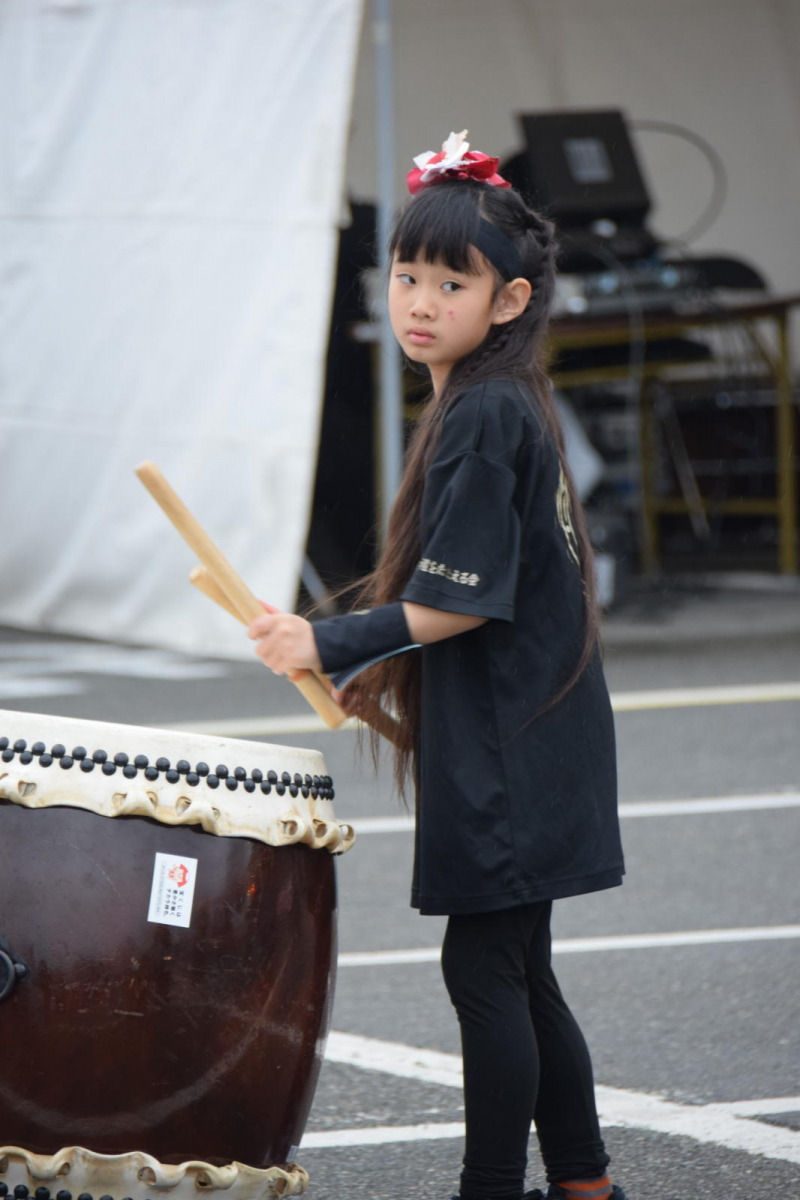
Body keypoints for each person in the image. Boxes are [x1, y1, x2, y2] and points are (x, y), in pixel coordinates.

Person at [248, 130, 627, 1200]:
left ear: (506, 301)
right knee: (516, 968)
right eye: (405, 274)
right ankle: (586, 1185)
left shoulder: (482, 413)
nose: (417, 300)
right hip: (534, 728)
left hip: (513, 742)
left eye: (448, 281)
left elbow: (455, 601)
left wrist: (323, 640)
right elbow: (460, 589)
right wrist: (371, 648)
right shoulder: (493, 399)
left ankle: (492, 1187)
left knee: (485, 970)